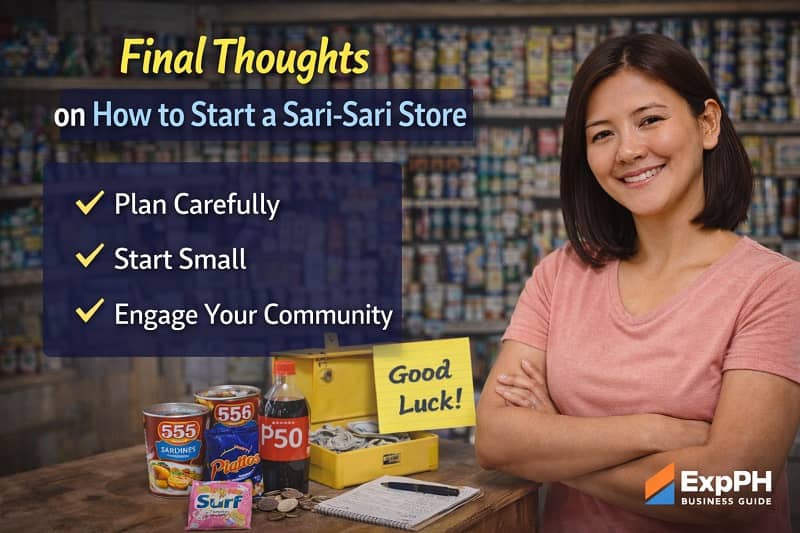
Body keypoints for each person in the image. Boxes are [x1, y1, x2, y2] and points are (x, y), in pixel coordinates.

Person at [475, 33, 800, 533]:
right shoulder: (560, 274)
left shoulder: (775, 288)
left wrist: (555, 445)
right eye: (602, 134)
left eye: (650, 120)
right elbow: (496, 440)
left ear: (707, 123)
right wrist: (658, 432)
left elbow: (734, 490)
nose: (628, 150)